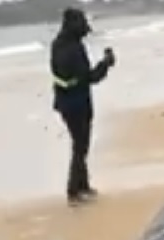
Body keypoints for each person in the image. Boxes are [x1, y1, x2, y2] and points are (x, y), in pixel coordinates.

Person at [50, 7, 115, 207]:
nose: (86, 28)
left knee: (80, 143)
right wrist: (106, 63)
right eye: (82, 23)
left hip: (65, 101)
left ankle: (83, 186)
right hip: (76, 103)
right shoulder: (73, 48)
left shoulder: (58, 44)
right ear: (72, 24)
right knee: (81, 145)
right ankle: (74, 191)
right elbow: (90, 78)